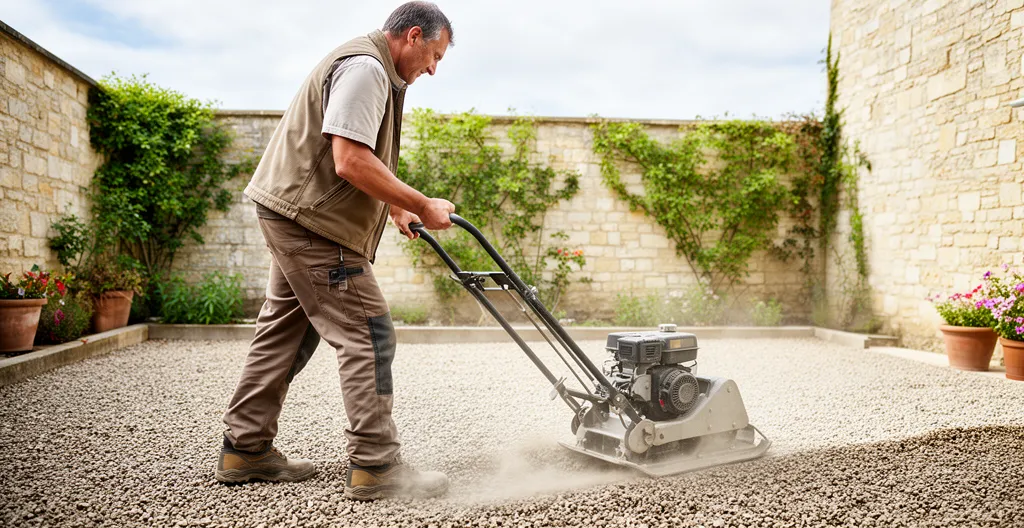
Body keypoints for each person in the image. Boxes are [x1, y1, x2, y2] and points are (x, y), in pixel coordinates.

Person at [215, 2, 456, 501]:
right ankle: (376, 464)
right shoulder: (367, 69)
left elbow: (356, 155)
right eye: (434, 55)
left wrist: (393, 208)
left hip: (291, 213)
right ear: (412, 36)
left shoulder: (372, 68)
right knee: (369, 333)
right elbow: (348, 160)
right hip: (312, 225)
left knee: (285, 331)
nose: (434, 68)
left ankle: (245, 448)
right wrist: (421, 202)